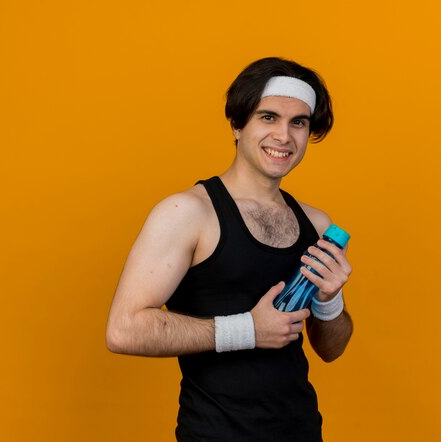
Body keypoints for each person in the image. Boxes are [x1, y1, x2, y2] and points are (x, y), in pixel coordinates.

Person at [106, 57, 353, 441]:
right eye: (268, 117)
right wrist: (248, 330)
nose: (284, 137)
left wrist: (329, 301)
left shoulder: (317, 225)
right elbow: (124, 330)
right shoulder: (187, 213)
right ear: (238, 125)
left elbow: (331, 349)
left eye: (298, 122)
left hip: (302, 431)